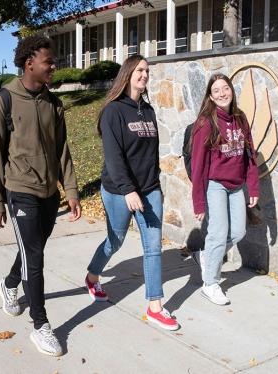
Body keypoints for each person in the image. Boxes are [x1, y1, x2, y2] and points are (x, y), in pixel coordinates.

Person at [0, 35, 81, 356]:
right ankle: (40, 324)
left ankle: (10, 284)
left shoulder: (54, 104)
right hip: (20, 191)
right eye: (49, 62)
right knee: (36, 259)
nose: (54, 66)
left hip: (49, 193)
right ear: (30, 63)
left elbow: (63, 150)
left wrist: (70, 190)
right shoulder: (3, 101)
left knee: (32, 250)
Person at [84, 54, 179, 331]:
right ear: (127, 74)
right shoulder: (114, 111)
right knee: (115, 241)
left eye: (147, 71)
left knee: (153, 246)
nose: (144, 75)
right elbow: (114, 157)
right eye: (139, 70)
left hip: (149, 190)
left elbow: (150, 155)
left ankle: (155, 306)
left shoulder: (148, 111)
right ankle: (92, 277)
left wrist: (155, 187)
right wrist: (128, 190)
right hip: (118, 190)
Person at [191, 73, 259, 305]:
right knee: (218, 233)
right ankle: (210, 283)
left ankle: (207, 256)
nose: (222, 93)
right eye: (216, 90)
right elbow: (198, 165)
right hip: (215, 185)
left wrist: (254, 186)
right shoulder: (205, 123)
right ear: (210, 96)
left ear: (231, 90)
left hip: (236, 185)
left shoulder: (240, 118)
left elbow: (249, 156)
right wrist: (198, 201)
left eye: (225, 88)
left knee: (238, 232)